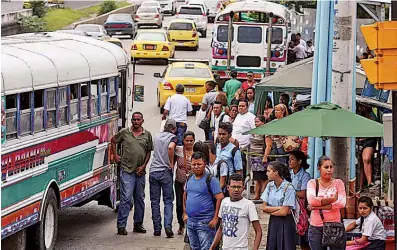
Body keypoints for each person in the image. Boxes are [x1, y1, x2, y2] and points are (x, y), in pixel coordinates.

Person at [111, 112, 153, 236]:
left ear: (142, 121)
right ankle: (121, 225)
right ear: (131, 121)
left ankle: (138, 224)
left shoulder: (147, 135)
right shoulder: (124, 132)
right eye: (134, 119)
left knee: (140, 199)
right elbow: (113, 140)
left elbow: (148, 152)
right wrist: (115, 155)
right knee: (126, 199)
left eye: (138, 119)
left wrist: (144, 166)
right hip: (127, 170)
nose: (136, 122)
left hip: (140, 172)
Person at [183, 152, 224, 250]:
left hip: (205, 222)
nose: (196, 166)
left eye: (199, 164)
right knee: (194, 247)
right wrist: (185, 213)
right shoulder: (189, 178)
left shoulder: (211, 179)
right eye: (194, 164)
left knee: (206, 247)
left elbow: (220, 197)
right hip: (191, 222)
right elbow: (185, 194)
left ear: (204, 164)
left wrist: (215, 218)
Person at [210, 174, 263, 250]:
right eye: (233, 187)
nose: (236, 190)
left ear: (243, 188)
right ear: (228, 187)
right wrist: (212, 247)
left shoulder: (248, 205)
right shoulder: (224, 202)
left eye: (239, 187)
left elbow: (258, 231)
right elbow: (221, 228)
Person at [307, 156, 347, 250]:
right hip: (316, 227)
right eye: (326, 167)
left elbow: (341, 203)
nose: (329, 170)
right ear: (319, 168)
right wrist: (332, 199)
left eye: (331, 167)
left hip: (335, 226)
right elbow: (311, 201)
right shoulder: (312, 183)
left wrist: (318, 207)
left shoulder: (338, 183)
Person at [149, 119, 178, 238]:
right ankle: (168, 226)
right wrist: (171, 163)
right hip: (165, 172)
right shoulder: (173, 138)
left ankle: (157, 228)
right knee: (168, 201)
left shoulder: (156, 136)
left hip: (153, 171)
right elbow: (171, 148)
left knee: (155, 201)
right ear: (174, 129)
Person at [261, 161, 296, 250]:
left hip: (286, 223)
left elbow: (284, 213)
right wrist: (279, 208)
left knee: (285, 245)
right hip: (273, 221)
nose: (267, 173)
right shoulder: (270, 186)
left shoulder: (289, 188)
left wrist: (271, 210)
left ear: (276, 173)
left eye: (269, 171)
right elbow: (264, 207)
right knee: (272, 245)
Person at [289, 150, 311, 249]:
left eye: (292, 159)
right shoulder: (288, 174)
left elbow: (303, 194)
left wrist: (290, 192)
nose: (289, 161)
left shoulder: (305, 176)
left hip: (301, 209)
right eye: (289, 159)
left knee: (303, 238)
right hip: (291, 206)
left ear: (299, 161)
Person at [175, 131, 195, 235]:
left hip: (192, 183)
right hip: (179, 181)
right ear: (183, 141)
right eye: (187, 140)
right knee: (179, 204)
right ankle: (180, 224)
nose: (189, 143)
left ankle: (190, 225)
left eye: (191, 141)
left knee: (190, 204)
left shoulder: (196, 152)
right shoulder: (178, 150)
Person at [357, 105, 378, 192]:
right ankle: (360, 186)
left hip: (369, 140)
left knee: (366, 159)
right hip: (358, 140)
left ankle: (369, 182)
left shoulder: (372, 116)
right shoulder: (357, 113)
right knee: (360, 164)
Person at [249, 115, 269, 200]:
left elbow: (268, 145)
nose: (256, 123)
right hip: (254, 158)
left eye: (258, 122)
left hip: (261, 158)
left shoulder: (266, 131)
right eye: (255, 122)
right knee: (257, 178)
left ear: (263, 122)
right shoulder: (255, 131)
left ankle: (263, 195)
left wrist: (265, 157)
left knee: (263, 178)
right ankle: (257, 195)